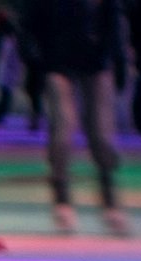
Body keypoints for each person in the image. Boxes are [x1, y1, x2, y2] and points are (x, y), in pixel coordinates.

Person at [15, 0, 119, 220]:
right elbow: (29, 23)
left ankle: (109, 194)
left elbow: (113, 21)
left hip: (95, 62)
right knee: (63, 128)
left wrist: (113, 56)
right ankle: (61, 194)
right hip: (57, 62)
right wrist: (33, 56)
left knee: (101, 133)